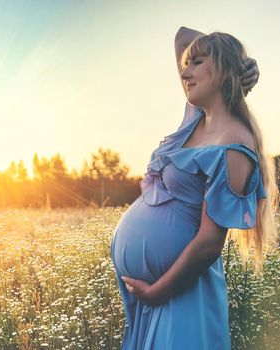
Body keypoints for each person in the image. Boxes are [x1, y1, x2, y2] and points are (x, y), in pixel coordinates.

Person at [110, 26, 278, 349]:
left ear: (223, 68)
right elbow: (182, 36)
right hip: (156, 295)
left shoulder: (234, 146)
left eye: (197, 63)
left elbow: (208, 244)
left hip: (180, 295)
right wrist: (242, 61)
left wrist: (156, 292)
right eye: (186, 64)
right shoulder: (196, 118)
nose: (185, 71)